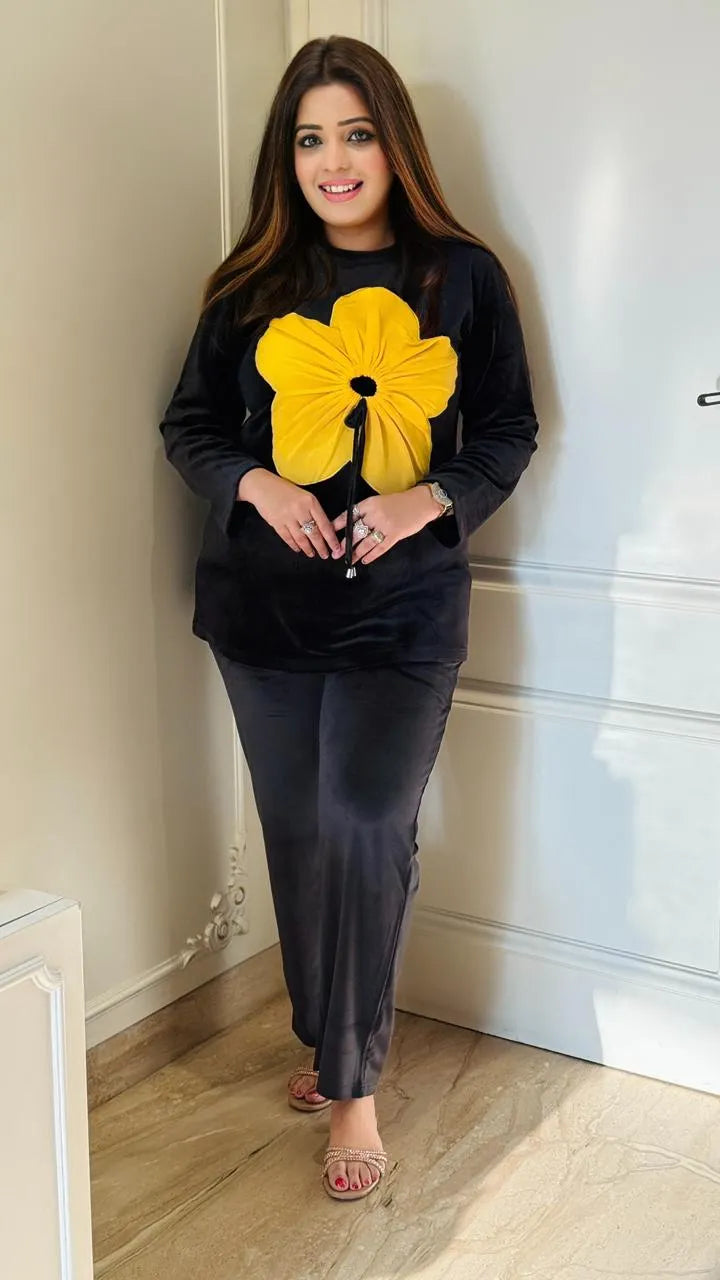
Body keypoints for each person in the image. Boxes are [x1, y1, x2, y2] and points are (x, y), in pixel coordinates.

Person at [158, 33, 539, 1203]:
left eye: (356, 134)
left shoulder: (462, 277)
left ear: (393, 145)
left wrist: (432, 496)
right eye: (311, 138)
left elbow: (508, 429)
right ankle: (325, 1034)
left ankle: (355, 1084)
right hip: (262, 613)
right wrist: (255, 483)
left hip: (403, 611)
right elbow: (190, 426)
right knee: (299, 830)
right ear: (288, 157)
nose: (334, 161)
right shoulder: (249, 285)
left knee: (368, 820)